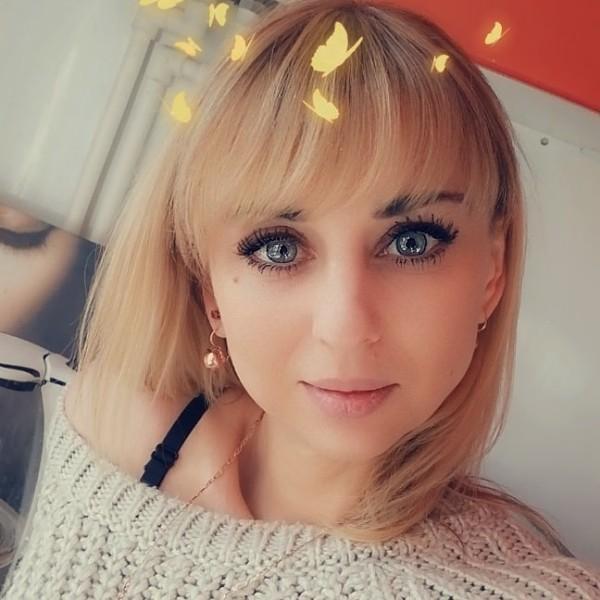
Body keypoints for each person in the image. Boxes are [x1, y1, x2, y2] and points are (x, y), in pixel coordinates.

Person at [2, 0, 599, 597]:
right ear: (210, 288)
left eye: (411, 242)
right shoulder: (107, 432)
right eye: (279, 248)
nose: (345, 327)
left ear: (492, 273)